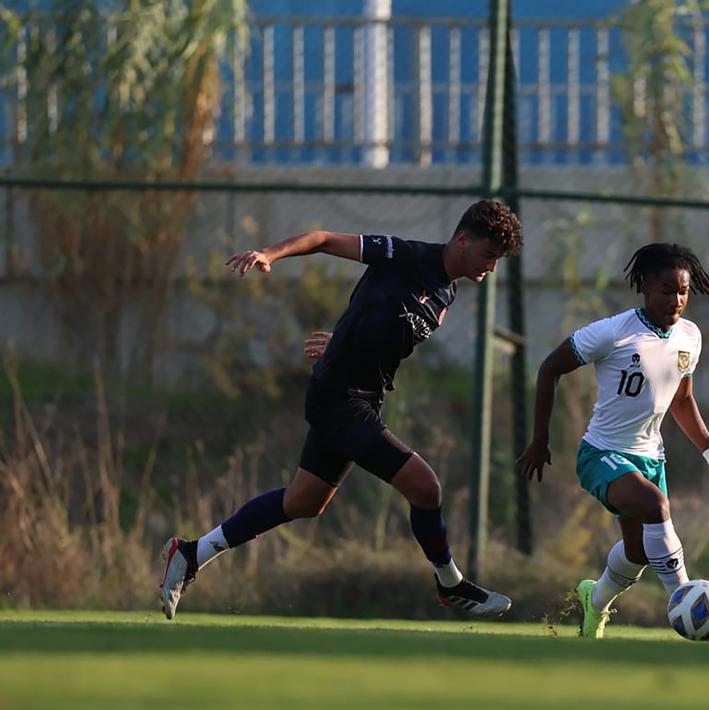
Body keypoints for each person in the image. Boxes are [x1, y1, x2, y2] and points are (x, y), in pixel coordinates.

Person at [159, 199, 523, 620]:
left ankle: (190, 553)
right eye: (489, 255)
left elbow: (378, 324)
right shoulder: (406, 256)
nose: (492, 267)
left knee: (304, 501)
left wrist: (341, 341)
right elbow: (324, 239)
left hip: (361, 395)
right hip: (339, 398)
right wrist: (269, 253)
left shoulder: (447, 291)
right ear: (462, 239)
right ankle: (451, 585)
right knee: (426, 487)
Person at [517, 243, 709, 641]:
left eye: (683, 291)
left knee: (638, 553)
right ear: (645, 287)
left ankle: (595, 603)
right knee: (657, 507)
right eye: (667, 290)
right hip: (601, 454)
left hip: (650, 458)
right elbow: (550, 367)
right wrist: (540, 438)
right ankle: (693, 607)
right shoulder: (613, 332)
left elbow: (683, 400)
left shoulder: (689, 336)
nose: (676, 300)